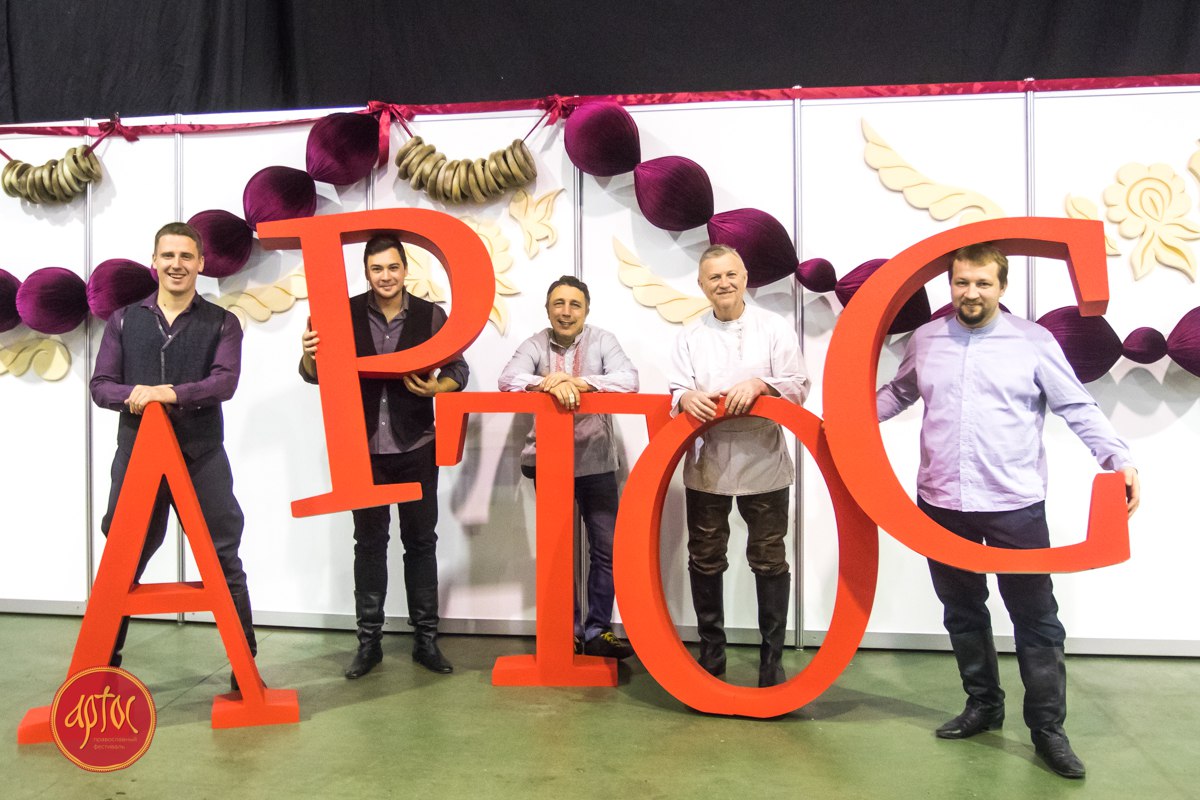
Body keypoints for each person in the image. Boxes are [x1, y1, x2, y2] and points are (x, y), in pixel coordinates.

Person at [876, 243, 1141, 779]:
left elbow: (1075, 405)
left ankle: (1048, 731)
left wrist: (1119, 458)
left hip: (1014, 505)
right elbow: (898, 394)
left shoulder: (1032, 342)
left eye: (982, 283)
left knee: (1036, 619)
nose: (971, 293)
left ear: (1001, 286)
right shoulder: (926, 340)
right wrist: (839, 421)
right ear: (950, 285)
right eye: (961, 282)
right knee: (962, 611)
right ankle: (983, 706)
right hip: (941, 502)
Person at [91, 222, 255, 687]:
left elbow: (224, 382)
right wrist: (137, 395)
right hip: (137, 459)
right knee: (122, 561)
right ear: (154, 261)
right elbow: (101, 386)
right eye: (168, 256)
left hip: (201, 456)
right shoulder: (124, 320)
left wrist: (168, 393)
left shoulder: (222, 322)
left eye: (186, 256)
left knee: (223, 556)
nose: (176, 265)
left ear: (201, 263)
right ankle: (101, 664)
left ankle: (246, 669)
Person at [300, 233, 468, 678]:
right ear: (366, 272)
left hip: (416, 446)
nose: (386, 276)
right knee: (370, 544)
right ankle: (368, 644)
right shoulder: (341, 313)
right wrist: (308, 355)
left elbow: (459, 369)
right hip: (363, 450)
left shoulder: (432, 315)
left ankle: (426, 642)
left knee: (421, 542)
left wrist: (437, 388)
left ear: (405, 269)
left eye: (393, 267)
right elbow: (313, 375)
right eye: (377, 269)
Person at [666, 244, 810, 687]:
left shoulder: (774, 327)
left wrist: (761, 384)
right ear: (701, 285)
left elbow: (799, 385)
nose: (724, 283)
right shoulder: (690, 335)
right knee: (705, 558)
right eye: (714, 277)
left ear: (745, 278)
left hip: (763, 459)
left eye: (731, 275)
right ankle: (712, 654)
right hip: (707, 461)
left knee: (769, 558)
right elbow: (676, 389)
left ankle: (772, 660)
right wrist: (685, 397)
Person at [498, 276, 639, 659]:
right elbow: (507, 379)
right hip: (548, 463)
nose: (566, 311)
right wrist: (547, 383)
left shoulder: (603, 340)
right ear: (547, 310)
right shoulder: (535, 343)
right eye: (558, 304)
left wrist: (577, 382)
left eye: (574, 304)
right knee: (558, 552)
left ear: (586, 310)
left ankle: (596, 631)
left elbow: (629, 381)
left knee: (606, 550)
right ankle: (567, 631)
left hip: (596, 461)